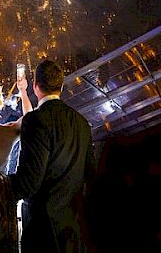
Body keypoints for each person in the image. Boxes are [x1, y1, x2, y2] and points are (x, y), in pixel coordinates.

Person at [9, 59, 96, 253]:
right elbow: (90, 175)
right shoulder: (82, 123)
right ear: (62, 86)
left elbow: (28, 183)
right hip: (73, 232)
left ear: (35, 86)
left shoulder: (35, 120)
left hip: (43, 234)